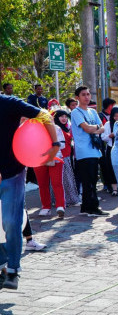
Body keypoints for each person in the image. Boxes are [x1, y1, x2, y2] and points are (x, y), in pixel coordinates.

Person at [0, 94, 60, 290]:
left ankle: (13, 269)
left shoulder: (8, 103)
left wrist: (55, 145)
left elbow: (44, 115)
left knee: (11, 221)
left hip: (12, 172)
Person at [70, 86, 107, 216]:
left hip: (94, 150)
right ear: (77, 97)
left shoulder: (93, 112)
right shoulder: (76, 112)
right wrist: (96, 128)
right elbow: (86, 129)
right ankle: (92, 207)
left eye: (88, 94)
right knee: (88, 180)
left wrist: (95, 128)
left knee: (93, 180)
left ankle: (86, 207)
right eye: (83, 95)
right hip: (83, 151)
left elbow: (103, 129)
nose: (86, 97)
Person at [34, 119, 66, 218]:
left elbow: (63, 144)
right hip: (38, 159)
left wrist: (51, 146)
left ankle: (60, 206)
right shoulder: (34, 129)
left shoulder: (56, 128)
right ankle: (46, 207)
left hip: (55, 158)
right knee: (42, 184)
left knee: (57, 183)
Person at [53, 110, 81, 206]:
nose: (64, 118)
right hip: (61, 156)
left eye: (65, 116)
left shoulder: (66, 128)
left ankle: (68, 199)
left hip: (68, 156)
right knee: (65, 179)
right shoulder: (56, 129)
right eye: (61, 116)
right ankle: (69, 200)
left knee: (68, 178)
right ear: (56, 118)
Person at [100, 105, 118, 195]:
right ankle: (114, 189)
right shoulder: (108, 124)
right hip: (111, 148)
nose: (117, 118)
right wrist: (110, 135)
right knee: (111, 168)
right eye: (115, 116)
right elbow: (103, 137)